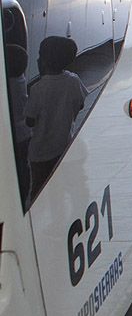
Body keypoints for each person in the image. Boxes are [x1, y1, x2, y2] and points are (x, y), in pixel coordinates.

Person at [25, 36, 86, 196]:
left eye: (40, 55)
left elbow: (30, 121)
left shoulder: (38, 88)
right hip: (64, 146)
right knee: (59, 183)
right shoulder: (73, 81)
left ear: (44, 62)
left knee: (39, 188)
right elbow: (80, 104)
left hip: (40, 152)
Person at [5, 44, 31, 204]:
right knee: (23, 164)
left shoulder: (7, 86)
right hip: (25, 133)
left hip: (13, 133)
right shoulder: (20, 79)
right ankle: (24, 192)